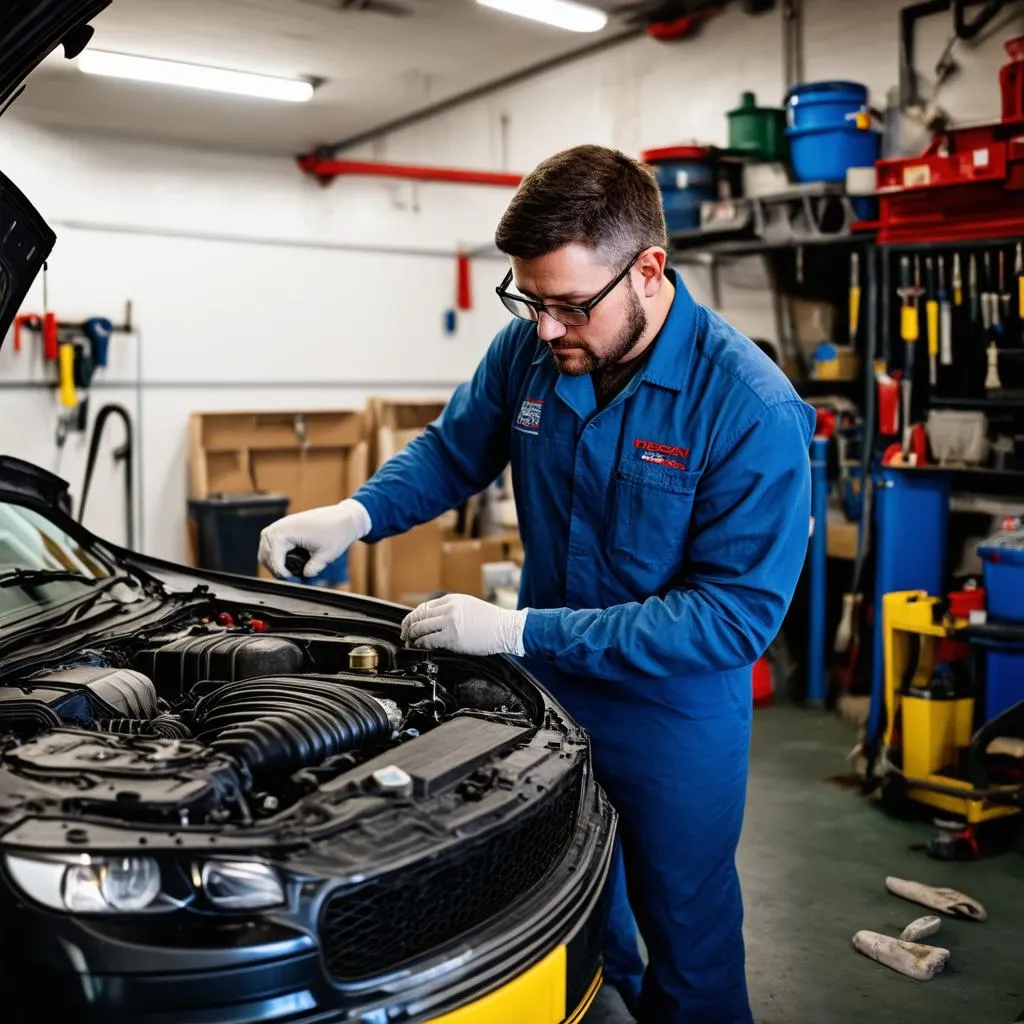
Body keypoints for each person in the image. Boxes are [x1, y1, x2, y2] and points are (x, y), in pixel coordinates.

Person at [258, 144, 815, 1024]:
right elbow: (452, 451)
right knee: (575, 917)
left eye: (569, 305)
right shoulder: (529, 351)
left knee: (689, 935)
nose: (547, 328)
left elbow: (731, 616)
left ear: (648, 271)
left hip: (673, 715)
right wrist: (356, 515)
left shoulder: (749, 408)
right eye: (530, 300)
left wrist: (520, 633)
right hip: (547, 698)